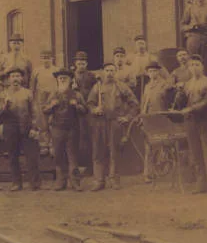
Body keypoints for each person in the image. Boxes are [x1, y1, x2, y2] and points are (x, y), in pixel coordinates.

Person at [86, 63, 139, 191]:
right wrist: (94, 109)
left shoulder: (122, 87)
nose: (109, 73)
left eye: (112, 70)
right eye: (107, 70)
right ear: (104, 72)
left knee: (114, 151)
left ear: (115, 72)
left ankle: (114, 179)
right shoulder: (97, 87)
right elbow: (90, 103)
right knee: (98, 150)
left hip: (115, 122)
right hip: (100, 122)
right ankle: (99, 180)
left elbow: (135, 104)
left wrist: (127, 117)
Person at [177, 55, 207, 196]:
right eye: (192, 65)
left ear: (202, 66)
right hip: (190, 122)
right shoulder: (187, 83)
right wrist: (179, 93)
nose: (194, 67)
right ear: (189, 68)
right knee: (196, 153)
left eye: (197, 64)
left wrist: (192, 109)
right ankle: (201, 185)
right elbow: (181, 104)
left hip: (205, 120)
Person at [0, 67, 41, 191]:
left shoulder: (28, 93)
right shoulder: (3, 94)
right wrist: (4, 106)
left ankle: (34, 183)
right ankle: (16, 183)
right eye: (13, 76)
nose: (15, 79)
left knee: (32, 156)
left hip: (26, 126)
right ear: (9, 79)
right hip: (10, 127)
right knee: (12, 156)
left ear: (22, 78)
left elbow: (35, 112)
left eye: (18, 76)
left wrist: (34, 128)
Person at [43, 67, 87, 191]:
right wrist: (51, 106)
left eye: (65, 78)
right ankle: (60, 181)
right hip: (57, 129)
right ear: (57, 80)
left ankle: (75, 182)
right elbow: (44, 110)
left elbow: (85, 110)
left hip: (72, 129)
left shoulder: (76, 94)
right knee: (58, 155)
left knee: (73, 156)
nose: (62, 80)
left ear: (70, 80)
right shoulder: (53, 94)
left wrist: (77, 106)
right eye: (60, 78)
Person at [140, 60, 175, 183]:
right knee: (149, 147)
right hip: (149, 120)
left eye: (154, 71)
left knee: (165, 145)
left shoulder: (165, 85)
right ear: (147, 73)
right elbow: (144, 103)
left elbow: (170, 97)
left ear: (159, 72)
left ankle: (167, 171)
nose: (152, 73)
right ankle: (148, 174)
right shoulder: (147, 86)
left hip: (161, 119)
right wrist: (142, 116)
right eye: (150, 71)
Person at [73, 50, 97, 172]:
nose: (81, 65)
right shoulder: (71, 76)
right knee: (79, 136)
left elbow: (96, 91)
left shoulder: (91, 76)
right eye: (79, 62)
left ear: (86, 64)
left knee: (89, 135)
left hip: (89, 109)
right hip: (76, 110)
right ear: (75, 63)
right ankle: (80, 165)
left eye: (83, 62)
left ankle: (91, 165)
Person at [31, 49, 59, 151]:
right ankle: (44, 145)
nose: (46, 60)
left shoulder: (56, 70)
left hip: (53, 98)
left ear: (52, 59)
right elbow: (32, 87)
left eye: (48, 58)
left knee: (52, 121)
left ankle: (53, 145)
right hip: (41, 98)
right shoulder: (36, 71)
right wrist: (33, 101)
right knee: (42, 122)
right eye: (43, 58)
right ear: (41, 59)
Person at [126, 35, 161, 100]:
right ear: (135, 46)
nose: (141, 46)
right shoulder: (131, 57)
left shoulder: (151, 57)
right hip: (136, 82)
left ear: (145, 45)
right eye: (138, 44)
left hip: (147, 80)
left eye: (142, 43)